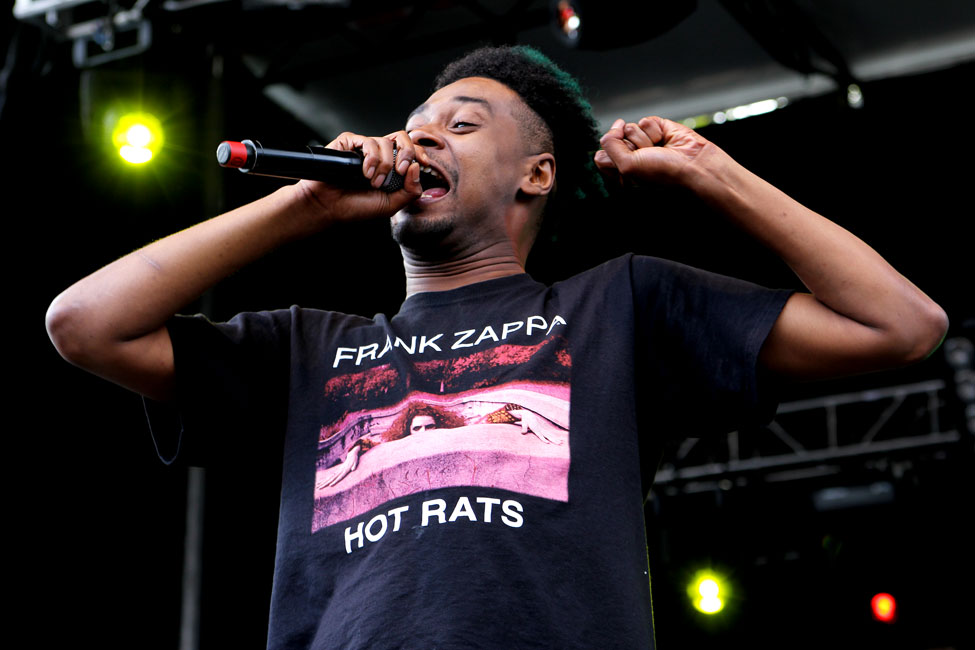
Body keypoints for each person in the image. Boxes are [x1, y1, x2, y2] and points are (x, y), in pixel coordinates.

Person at [45, 45, 947, 649]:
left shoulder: (619, 304)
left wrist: (711, 171)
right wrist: (304, 204)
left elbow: (900, 325)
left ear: (536, 174)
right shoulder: (308, 349)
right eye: (415, 125)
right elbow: (85, 323)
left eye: (462, 124)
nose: (421, 138)